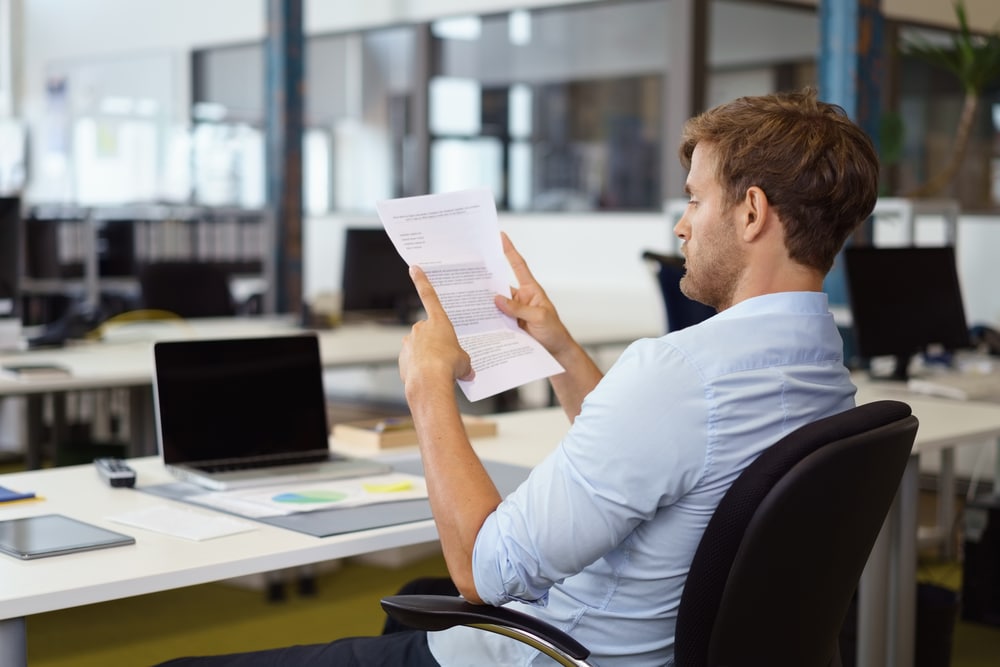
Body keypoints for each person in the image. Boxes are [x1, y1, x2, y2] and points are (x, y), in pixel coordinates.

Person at [154, 87, 879, 666]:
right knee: (409, 598)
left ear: (751, 212)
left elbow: (483, 570)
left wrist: (429, 383)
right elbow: (673, 455)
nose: (682, 225)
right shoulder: (820, 367)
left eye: (695, 198)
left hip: (560, 653)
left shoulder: (678, 372)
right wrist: (560, 346)